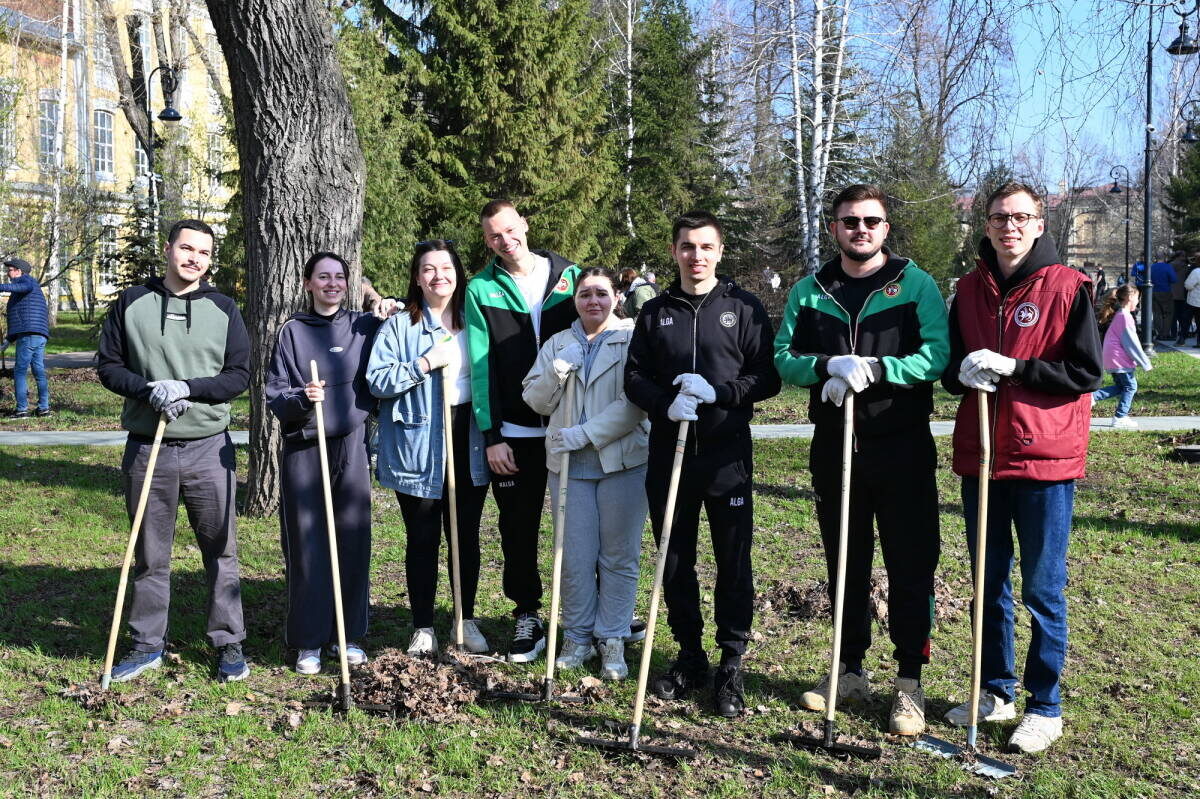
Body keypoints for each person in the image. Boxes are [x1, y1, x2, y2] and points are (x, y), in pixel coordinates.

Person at [773, 184, 949, 737]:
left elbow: (937, 356)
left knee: (910, 566)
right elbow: (783, 357)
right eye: (849, 221)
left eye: (871, 221)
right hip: (835, 448)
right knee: (844, 562)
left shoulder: (914, 284)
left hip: (901, 447)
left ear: (886, 228)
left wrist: (877, 369)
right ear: (834, 229)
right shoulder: (811, 290)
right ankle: (848, 671)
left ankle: (908, 682)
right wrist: (827, 366)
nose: (861, 230)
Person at [942, 182, 1102, 754]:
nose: (1009, 226)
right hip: (982, 453)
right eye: (999, 217)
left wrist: (1016, 366)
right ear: (986, 225)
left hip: (1045, 457)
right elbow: (950, 369)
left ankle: (1045, 705)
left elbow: (1085, 373)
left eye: (1021, 217)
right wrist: (962, 372)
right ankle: (996, 689)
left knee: (1041, 587)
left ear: (1039, 224)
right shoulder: (966, 290)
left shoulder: (1069, 285)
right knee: (989, 582)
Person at [624, 210, 781, 718]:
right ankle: (690, 655)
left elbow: (768, 377)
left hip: (726, 456)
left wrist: (721, 393)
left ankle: (731, 660)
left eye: (706, 247)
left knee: (733, 562)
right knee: (675, 560)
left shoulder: (744, 306)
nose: (697, 256)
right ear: (675, 251)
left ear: (719, 251)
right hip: (669, 458)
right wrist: (662, 402)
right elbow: (634, 377)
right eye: (687, 247)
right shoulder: (655, 311)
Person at [97, 219, 251, 683]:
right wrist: (149, 390)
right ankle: (147, 644)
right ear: (168, 250)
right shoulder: (131, 301)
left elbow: (238, 375)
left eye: (203, 253)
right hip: (149, 447)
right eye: (186, 249)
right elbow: (108, 366)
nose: (193, 259)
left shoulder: (225, 308)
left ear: (209, 260)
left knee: (221, 550)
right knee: (149, 553)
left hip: (209, 447)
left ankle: (228, 642)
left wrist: (189, 387)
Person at [464, 199, 587, 662]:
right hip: (513, 433)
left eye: (510, 230)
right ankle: (526, 614)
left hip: (569, 427)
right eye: (494, 235)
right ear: (487, 240)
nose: (505, 240)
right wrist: (491, 433)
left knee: (580, 524)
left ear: (525, 226)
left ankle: (587, 613)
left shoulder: (569, 276)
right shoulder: (481, 288)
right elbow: (480, 364)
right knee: (518, 528)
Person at [522, 267, 648, 680]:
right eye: (584, 294)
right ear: (574, 300)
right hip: (568, 467)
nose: (592, 300)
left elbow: (635, 402)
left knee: (619, 556)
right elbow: (536, 401)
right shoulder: (558, 342)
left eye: (601, 293)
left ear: (617, 296)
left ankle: (611, 635)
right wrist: (558, 370)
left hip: (622, 462)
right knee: (573, 557)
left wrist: (587, 434)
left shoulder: (633, 339)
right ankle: (577, 636)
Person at [368, 240, 491, 656]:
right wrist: (423, 364)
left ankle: (465, 618)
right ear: (417, 278)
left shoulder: (478, 322)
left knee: (466, 536)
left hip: (467, 436)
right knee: (422, 538)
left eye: (446, 267)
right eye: (428, 269)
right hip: (418, 442)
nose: (439, 276)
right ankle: (423, 625)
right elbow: (377, 382)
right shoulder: (399, 327)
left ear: (458, 273)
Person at [266, 252, 380, 674]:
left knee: (352, 537)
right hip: (305, 445)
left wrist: (382, 304)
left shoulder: (363, 326)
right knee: (308, 540)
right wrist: (301, 398)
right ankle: (309, 640)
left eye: (339, 277)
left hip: (350, 443)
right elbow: (275, 393)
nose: (332, 283)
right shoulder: (292, 332)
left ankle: (347, 635)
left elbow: (396, 328)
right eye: (323, 277)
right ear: (308, 283)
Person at [1091, 285, 1152, 429]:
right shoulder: (1125, 317)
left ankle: (1092, 397)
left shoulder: (1120, 315)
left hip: (1112, 357)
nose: (1138, 302)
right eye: (1137, 298)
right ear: (1130, 297)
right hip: (1119, 359)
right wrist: (1145, 362)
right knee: (1131, 387)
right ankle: (1120, 417)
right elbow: (1132, 343)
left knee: (1121, 387)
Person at [1, 257, 51, 418]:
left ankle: (22, 409)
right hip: (38, 334)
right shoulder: (23, 290)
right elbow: (21, 318)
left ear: (19, 271)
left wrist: (1, 287)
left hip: (29, 335)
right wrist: (9, 339)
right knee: (38, 371)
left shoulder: (26, 281)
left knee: (20, 371)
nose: (7, 273)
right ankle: (44, 409)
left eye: (9, 270)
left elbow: (24, 287)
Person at [1150, 254, 1177, 340]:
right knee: (1168, 313)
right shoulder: (1167, 267)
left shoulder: (1151, 267)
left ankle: (1159, 332)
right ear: (1165, 258)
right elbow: (1174, 279)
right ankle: (1165, 334)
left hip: (1153, 291)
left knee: (1157, 313)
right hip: (1165, 291)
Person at [1185, 260, 1200, 347]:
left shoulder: (1196, 272)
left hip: (1195, 301)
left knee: (1188, 320)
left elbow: (1188, 285)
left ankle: (1182, 339)